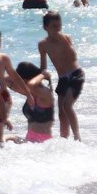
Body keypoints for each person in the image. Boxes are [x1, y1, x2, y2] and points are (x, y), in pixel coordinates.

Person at [39, 12, 84, 141]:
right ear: (45, 28)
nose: (57, 29)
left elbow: (73, 57)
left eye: (59, 26)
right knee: (61, 113)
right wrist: (43, 78)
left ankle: (77, 137)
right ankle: (64, 139)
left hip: (76, 75)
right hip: (62, 78)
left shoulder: (66, 38)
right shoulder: (43, 44)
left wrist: (63, 40)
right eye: (54, 26)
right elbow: (43, 67)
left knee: (67, 106)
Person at [15, 59, 56, 143]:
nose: (20, 83)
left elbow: (31, 84)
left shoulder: (45, 93)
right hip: (31, 139)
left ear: (26, 79)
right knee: (7, 139)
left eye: (21, 80)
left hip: (42, 140)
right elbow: (6, 79)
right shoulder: (30, 93)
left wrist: (43, 75)